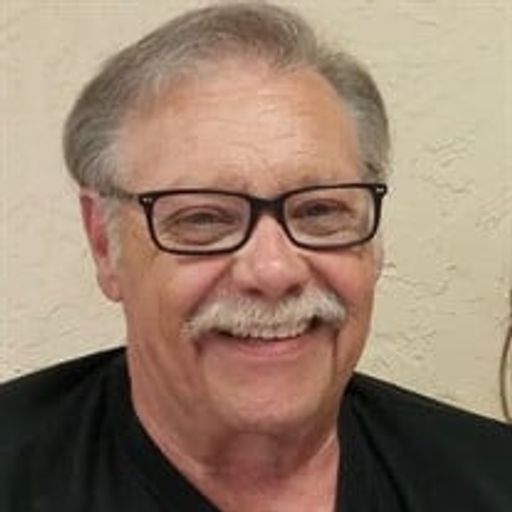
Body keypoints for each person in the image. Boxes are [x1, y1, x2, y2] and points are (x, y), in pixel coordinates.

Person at [1, 3, 510, 511]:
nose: (274, 271)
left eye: (320, 211)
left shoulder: (491, 478)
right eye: (204, 219)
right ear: (104, 245)